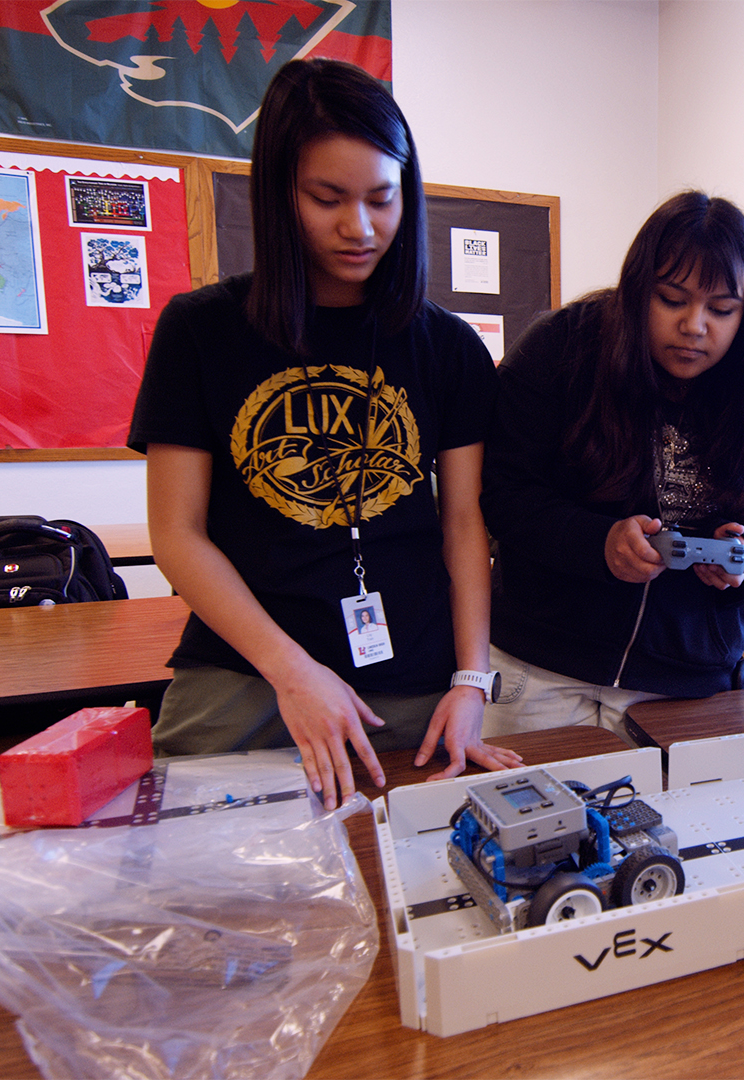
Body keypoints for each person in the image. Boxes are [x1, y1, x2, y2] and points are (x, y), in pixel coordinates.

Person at [128, 58, 522, 809]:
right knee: (207, 893)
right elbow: (177, 534)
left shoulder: (447, 346)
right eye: (327, 198)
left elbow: (465, 523)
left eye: (382, 198)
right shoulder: (201, 330)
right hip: (247, 677)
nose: (360, 227)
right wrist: (293, 671)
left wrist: (472, 681)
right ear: (281, 193)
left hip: (413, 685)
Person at [481, 191, 744, 734]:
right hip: (539, 667)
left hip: (682, 680)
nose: (695, 325)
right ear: (638, 290)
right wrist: (598, 543)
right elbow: (504, 492)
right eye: (672, 299)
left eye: (722, 309)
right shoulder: (561, 351)